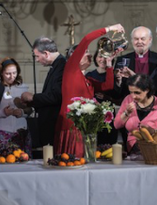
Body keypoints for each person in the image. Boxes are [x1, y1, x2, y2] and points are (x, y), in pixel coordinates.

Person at [54, 24, 124, 158]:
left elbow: (107, 87)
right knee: (71, 160)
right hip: (71, 125)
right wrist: (109, 29)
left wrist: (109, 64)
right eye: (85, 52)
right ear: (74, 57)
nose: (89, 54)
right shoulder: (70, 70)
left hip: (85, 127)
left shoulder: (88, 79)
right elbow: (86, 38)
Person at [21, 37, 66, 147]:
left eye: (37, 56)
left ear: (46, 53)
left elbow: (57, 96)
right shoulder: (56, 65)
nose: (36, 60)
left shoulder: (61, 65)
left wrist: (33, 98)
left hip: (54, 123)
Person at [114, 74, 157, 153]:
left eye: (137, 93)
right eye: (131, 92)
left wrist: (153, 131)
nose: (133, 96)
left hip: (154, 150)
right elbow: (117, 125)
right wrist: (126, 113)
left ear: (147, 90)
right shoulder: (128, 99)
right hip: (132, 149)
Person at [0, 57, 32, 155]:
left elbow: (30, 109)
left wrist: (23, 113)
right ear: (1, 73)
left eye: (14, 73)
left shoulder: (23, 87)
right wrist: (4, 112)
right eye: (8, 74)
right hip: (2, 131)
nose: (12, 77)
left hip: (20, 131)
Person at [85, 50, 120, 145]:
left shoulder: (114, 75)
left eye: (106, 57)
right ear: (95, 58)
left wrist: (107, 96)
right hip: (94, 114)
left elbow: (117, 94)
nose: (103, 60)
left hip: (110, 114)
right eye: (100, 56)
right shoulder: (89, 75)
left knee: (110, 143)